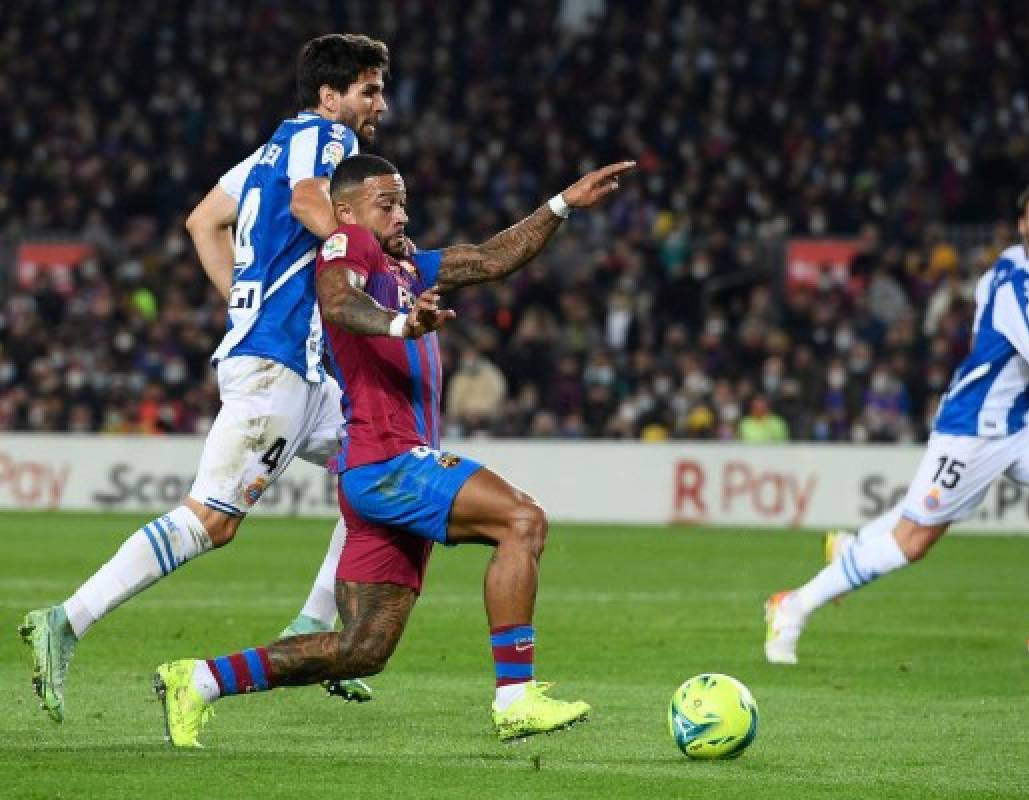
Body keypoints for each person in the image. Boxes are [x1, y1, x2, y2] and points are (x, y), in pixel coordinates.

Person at [152, 153, 637, 746]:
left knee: (361, 651)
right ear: (347, 210)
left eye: (403, 201)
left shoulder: (402, 266)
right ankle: (515, 698)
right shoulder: (347, 245)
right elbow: (336, 302)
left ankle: (199, 680)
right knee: (522, 519)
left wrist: (562, 203)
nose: (401, 214)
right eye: (388, 203)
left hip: (378, 474)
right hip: (388, 460)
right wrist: (400, 325)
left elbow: (488, 259)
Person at [19, 34, 391, 721]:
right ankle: (65, 620)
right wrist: (368, 246)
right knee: (212, 521)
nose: (380, 105)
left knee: (382, 464)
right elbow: (313, 200)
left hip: (298, 363)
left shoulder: (267, 151)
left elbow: (202, 221)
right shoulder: (324, 137)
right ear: (329, 95)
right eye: (369, 91)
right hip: (275, 367)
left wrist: (240, 302)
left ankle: (314, 632)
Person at [764, 198, 1029, 669]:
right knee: (911, 542)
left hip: (1026, 422)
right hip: (974, 427)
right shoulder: (1017, 288)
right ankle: (795, 605)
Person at [825, 184, 1029, 634]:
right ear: (1025, 227)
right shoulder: (1010, 275)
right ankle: (851, 553)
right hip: (988, 409)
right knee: (926, 520)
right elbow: (1012, 348)